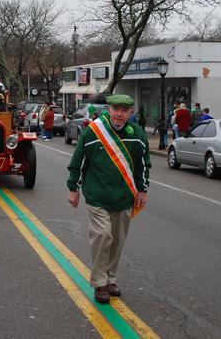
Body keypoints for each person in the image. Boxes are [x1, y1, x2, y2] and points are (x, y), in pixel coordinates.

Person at [66, 94, 150, 304]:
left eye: (124, 110)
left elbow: (142, 165)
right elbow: (79, 161)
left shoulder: (137, 134)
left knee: (118, 241)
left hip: (124, 198)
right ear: (109, 110)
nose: (119, 115)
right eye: (116, 110)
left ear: (131, 113)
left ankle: (111, 278)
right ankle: (99, 283)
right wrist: (73, 189)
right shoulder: (94, 131)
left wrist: (142, 190)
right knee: (103, 237)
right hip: (97, 197)